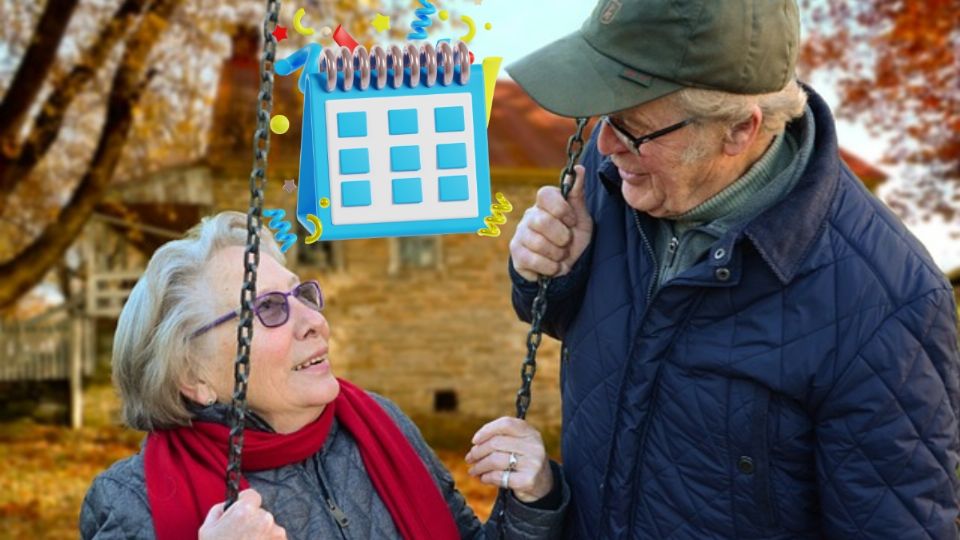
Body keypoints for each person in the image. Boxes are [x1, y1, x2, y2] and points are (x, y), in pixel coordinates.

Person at [506, 0, 960, 537]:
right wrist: (546, 274)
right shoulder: (613, 174)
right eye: (605, 116)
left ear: (739, 131)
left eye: (633, 128)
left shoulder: (886, 302)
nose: (605, 146)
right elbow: (578, 326)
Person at [80, 211, 568, 539]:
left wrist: (532, 501)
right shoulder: (129, 503)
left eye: (302, 295)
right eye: (268, 308)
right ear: (193, 376)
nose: (314, 321)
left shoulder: (380, 424)